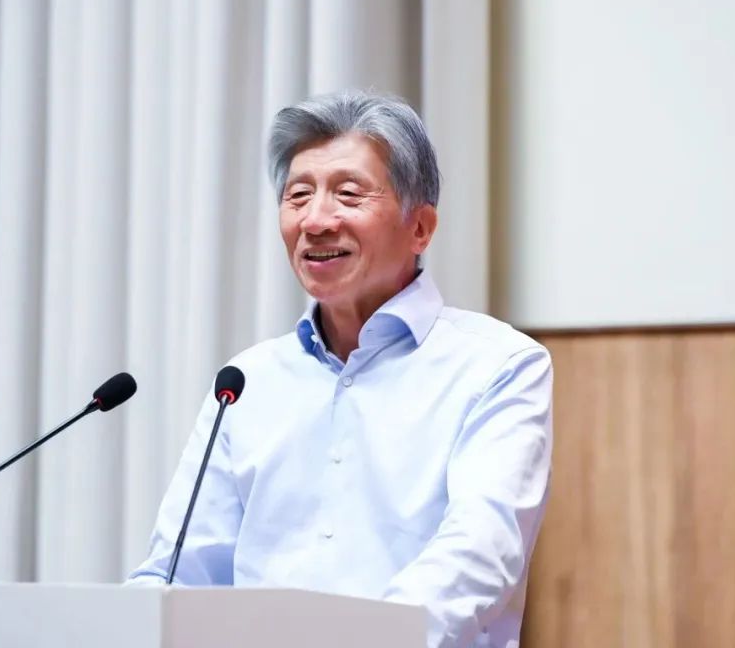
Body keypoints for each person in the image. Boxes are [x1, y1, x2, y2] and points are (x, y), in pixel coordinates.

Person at [129, 90, 553, 648]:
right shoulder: (248, 381)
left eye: (348, 194)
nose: (315, 221)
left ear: (420, 228)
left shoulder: (498, 365)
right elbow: (179, 572)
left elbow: (478, 555)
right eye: (298, 195)